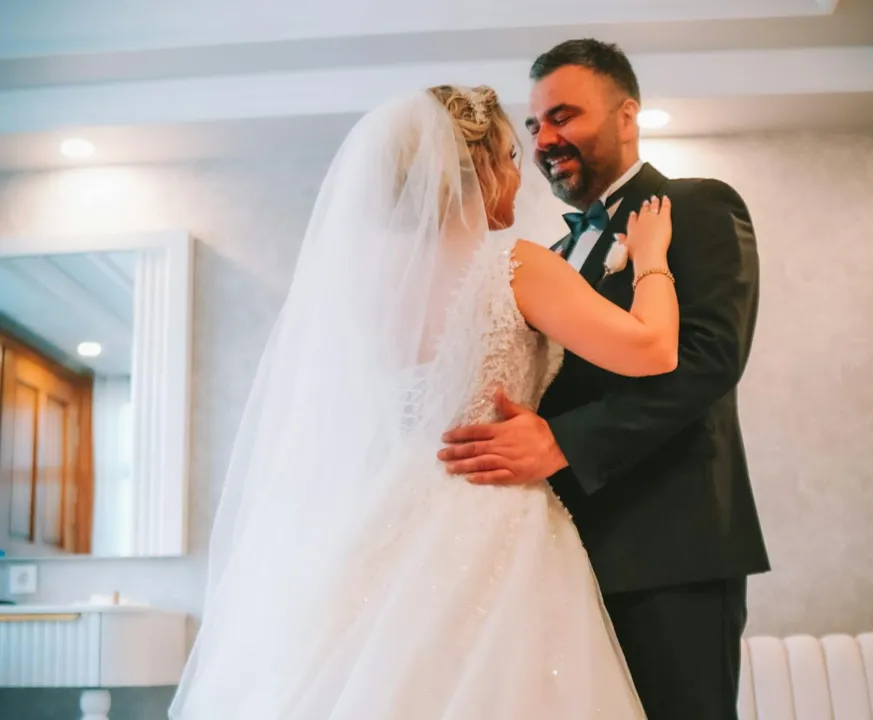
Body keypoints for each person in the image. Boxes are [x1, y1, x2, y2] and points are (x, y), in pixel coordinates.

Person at [168, 83, 678, 719]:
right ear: (482, 166)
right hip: (493, 515)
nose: (520, 174)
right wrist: (652, 258)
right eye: (511, 157)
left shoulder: (362, 286)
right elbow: (653, 350)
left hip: (388, 514)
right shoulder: (513, 266)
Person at [439, 40, 770, 719]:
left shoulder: (698, 205)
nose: (544, 139)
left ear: (626, 116)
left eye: (564, 116)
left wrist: (562, 442)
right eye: (534, 125)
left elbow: (710, 357)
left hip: (669, 554)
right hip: (555, 556)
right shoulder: (550, 255)